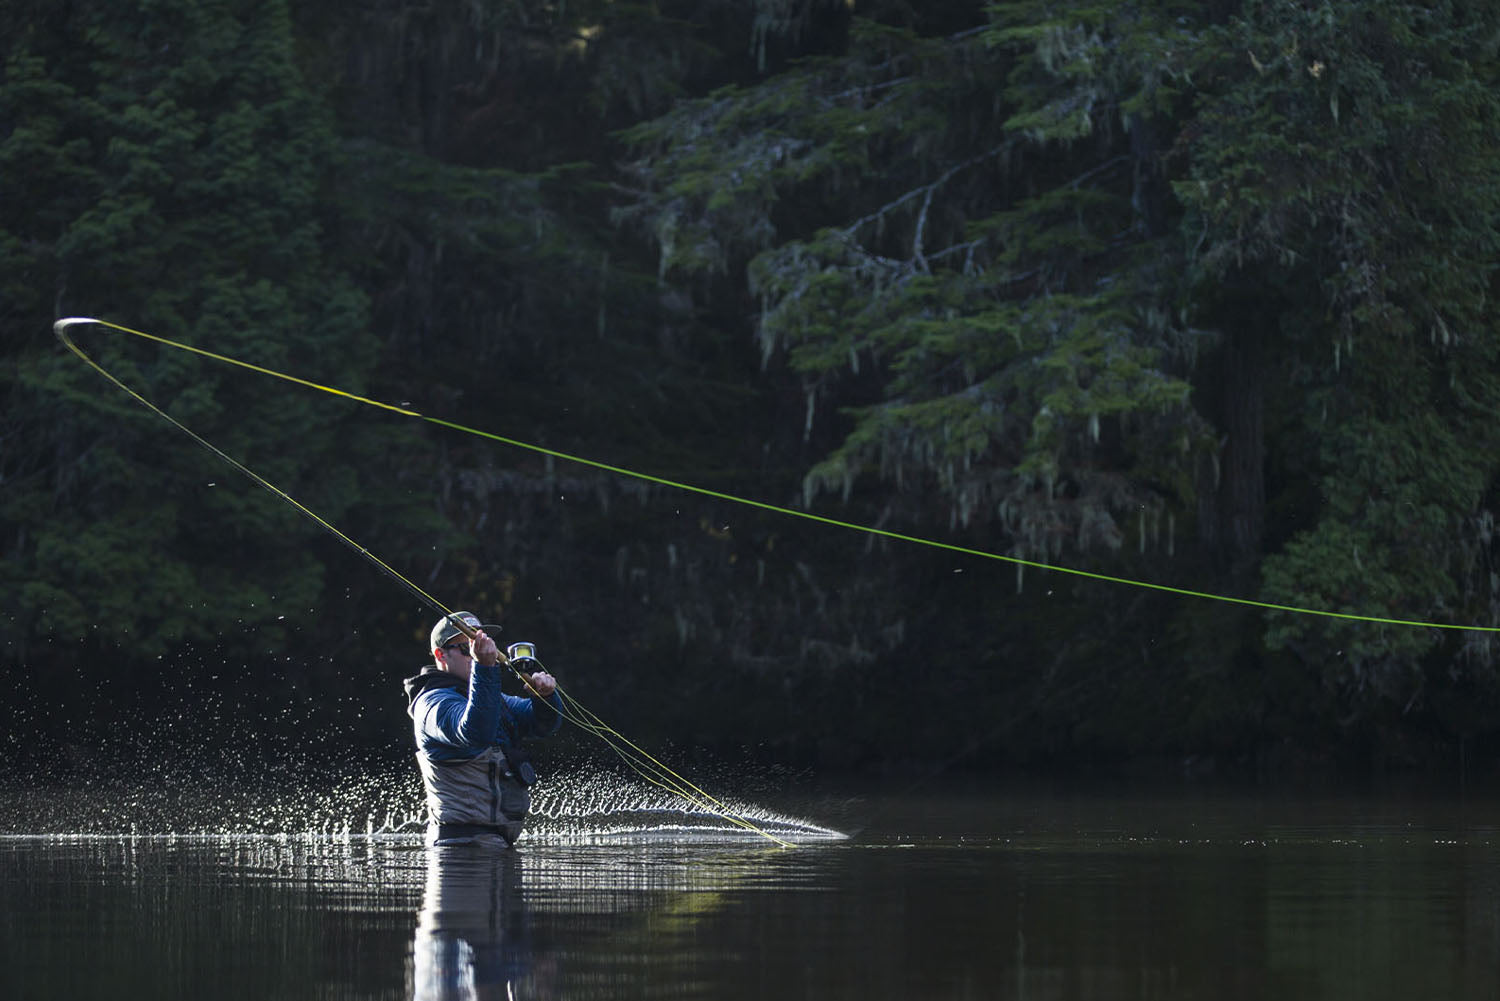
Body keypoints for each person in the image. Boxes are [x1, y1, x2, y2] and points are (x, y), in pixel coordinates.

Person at [403, 611, 563, 846]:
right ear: (441, 654)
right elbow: (475, 733)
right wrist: (484, 668)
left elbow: (542, 724)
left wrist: (546, 697)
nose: (476, 653)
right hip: (457, 851)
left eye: (482, 644)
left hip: (495, 846)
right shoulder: (432, 704)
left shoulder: (490, 698)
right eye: (467, 648)